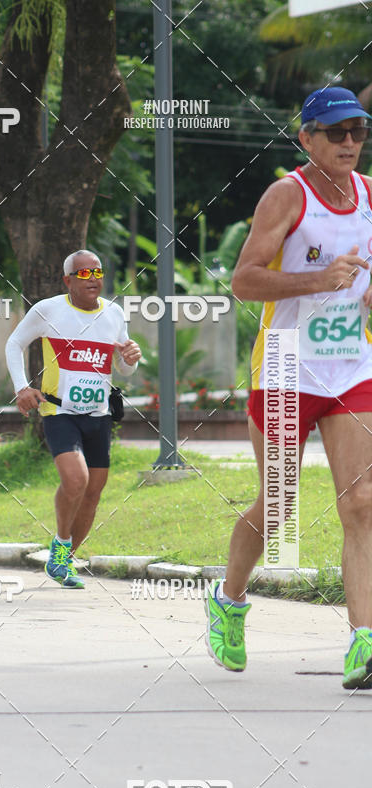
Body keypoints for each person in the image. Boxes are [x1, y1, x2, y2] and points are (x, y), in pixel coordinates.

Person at [205, 86, 372, 689]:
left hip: (351, 368)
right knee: (277, 506)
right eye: (336, 132)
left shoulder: (370, 195)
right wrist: (315, 279)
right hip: (284, 367)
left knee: (361, 502)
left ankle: (363, 643)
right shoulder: (287, 194)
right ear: (307, 138)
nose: (349, 142)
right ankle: (228, 599)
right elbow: (244, 281)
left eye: (357, 131)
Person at [5, 250, 141, 588]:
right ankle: (62, 543)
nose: (93, 278)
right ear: (68, 281)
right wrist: (22, 387)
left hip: (99, 414)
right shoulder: (48, 310)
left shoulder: (114, 313)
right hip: (59, 410)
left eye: (97, 271)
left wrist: (131, 360)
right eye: (83, 274)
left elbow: (124, 366)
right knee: (76, 479)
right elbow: (14, 343)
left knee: (93, 492)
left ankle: (63, 561)